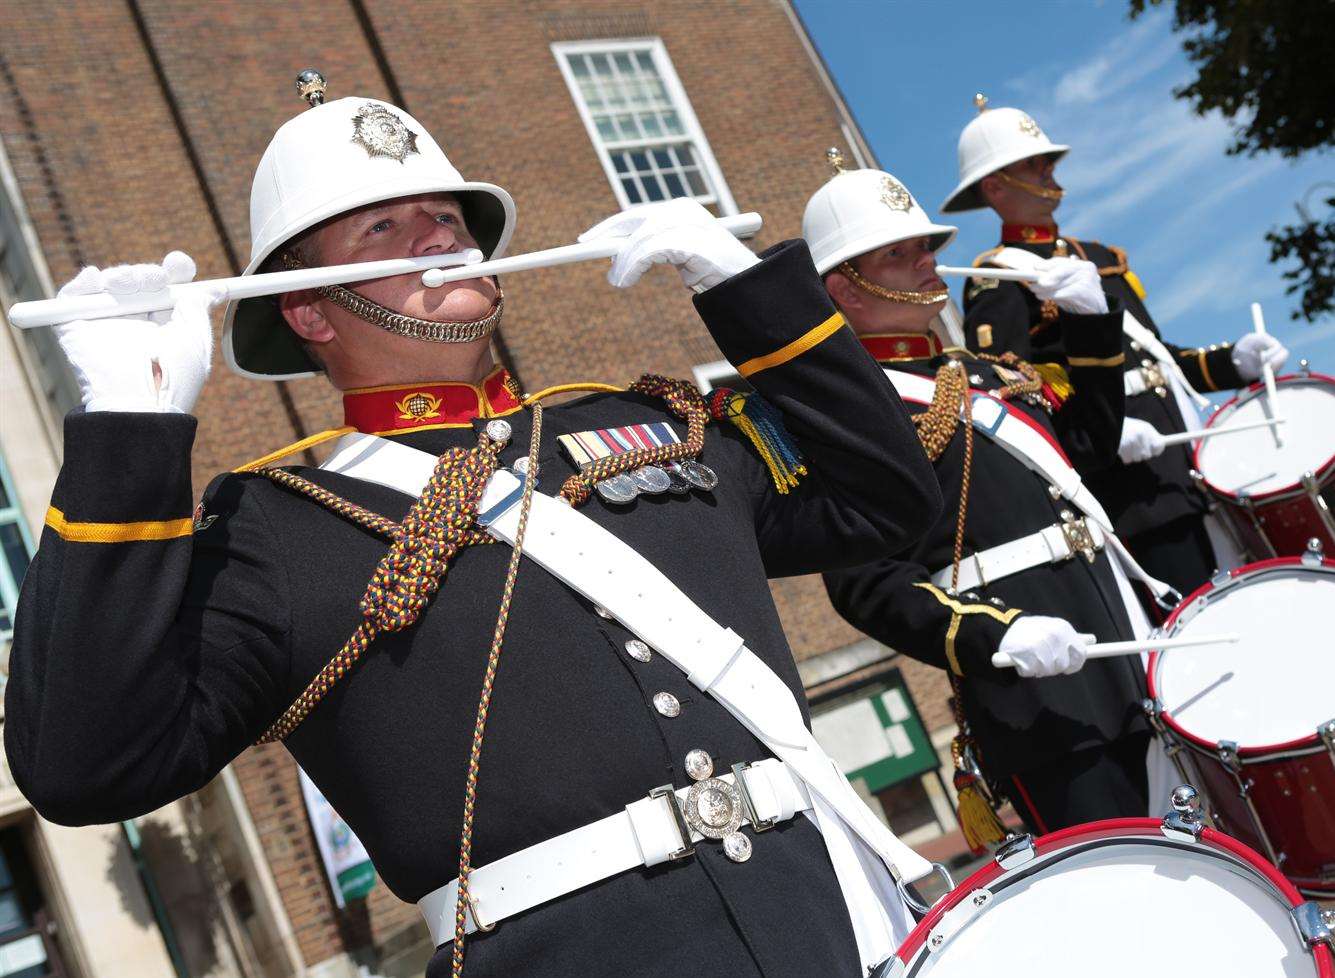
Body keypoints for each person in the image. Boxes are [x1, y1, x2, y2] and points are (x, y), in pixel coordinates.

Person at [4, 75, 944, 978]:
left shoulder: (644, 424)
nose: (434, 232)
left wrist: (749, 291)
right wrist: (128, 429)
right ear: (307, 312)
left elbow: (887, 502)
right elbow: (86, 767)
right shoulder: (271, 531)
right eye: (385, 225)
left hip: (836, 918)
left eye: (448, 217)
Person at [805, 153, 1154, 838]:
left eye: (923, 246)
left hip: (1130, 648)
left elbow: (1088, 447)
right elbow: (866, 584)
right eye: (896, 254)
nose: (925, 261)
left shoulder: (987, 374)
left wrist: (1088, 320)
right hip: (1043, 702)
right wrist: (996, 633)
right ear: (842, 288)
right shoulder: (858, 418)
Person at [944, 94, 1289, 594]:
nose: (1048, 172)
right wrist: (1105, 429)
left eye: (1047, 161)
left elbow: (1159, 360)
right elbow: (1015, 392)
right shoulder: (997, 277)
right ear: (995, 186)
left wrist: (1231, 363)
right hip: (1131, 497)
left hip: (1189, 473)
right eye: (1032, 164)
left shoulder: (1100, 257)